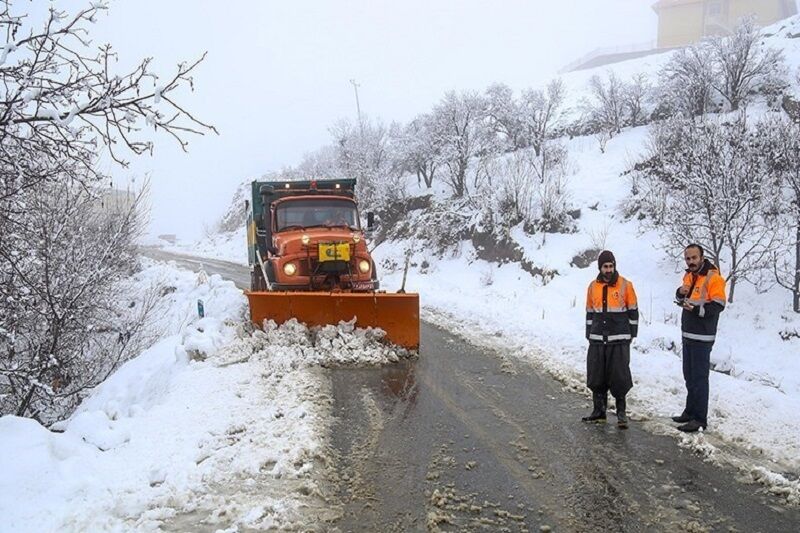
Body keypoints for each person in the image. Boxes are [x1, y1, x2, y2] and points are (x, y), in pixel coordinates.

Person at [672, 244, 726, 433]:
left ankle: (699, 418)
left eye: (694, 258)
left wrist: (696, 310)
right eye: (688, 258)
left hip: (702, 336)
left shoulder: (714, 278)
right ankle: (690, 411)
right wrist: (680, 293)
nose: (691, 262)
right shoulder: (689, 276)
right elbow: (682, 299)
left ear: (702, 257)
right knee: (689, 376)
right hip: (688, 334)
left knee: (699, 378)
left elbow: (718, 305)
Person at [583, 250, 639, 429]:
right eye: (605, 266)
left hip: (619, 339)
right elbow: (590, 312)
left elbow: (633, 311)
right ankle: (599, 412)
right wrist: (589, 333)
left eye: (611, 266)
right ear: (600, 267)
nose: (608, 270)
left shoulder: (625, 285)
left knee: (619, 377)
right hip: (598, 339)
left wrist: (631, 334)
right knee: (596, 376)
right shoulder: (593, 287)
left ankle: (621, 413)